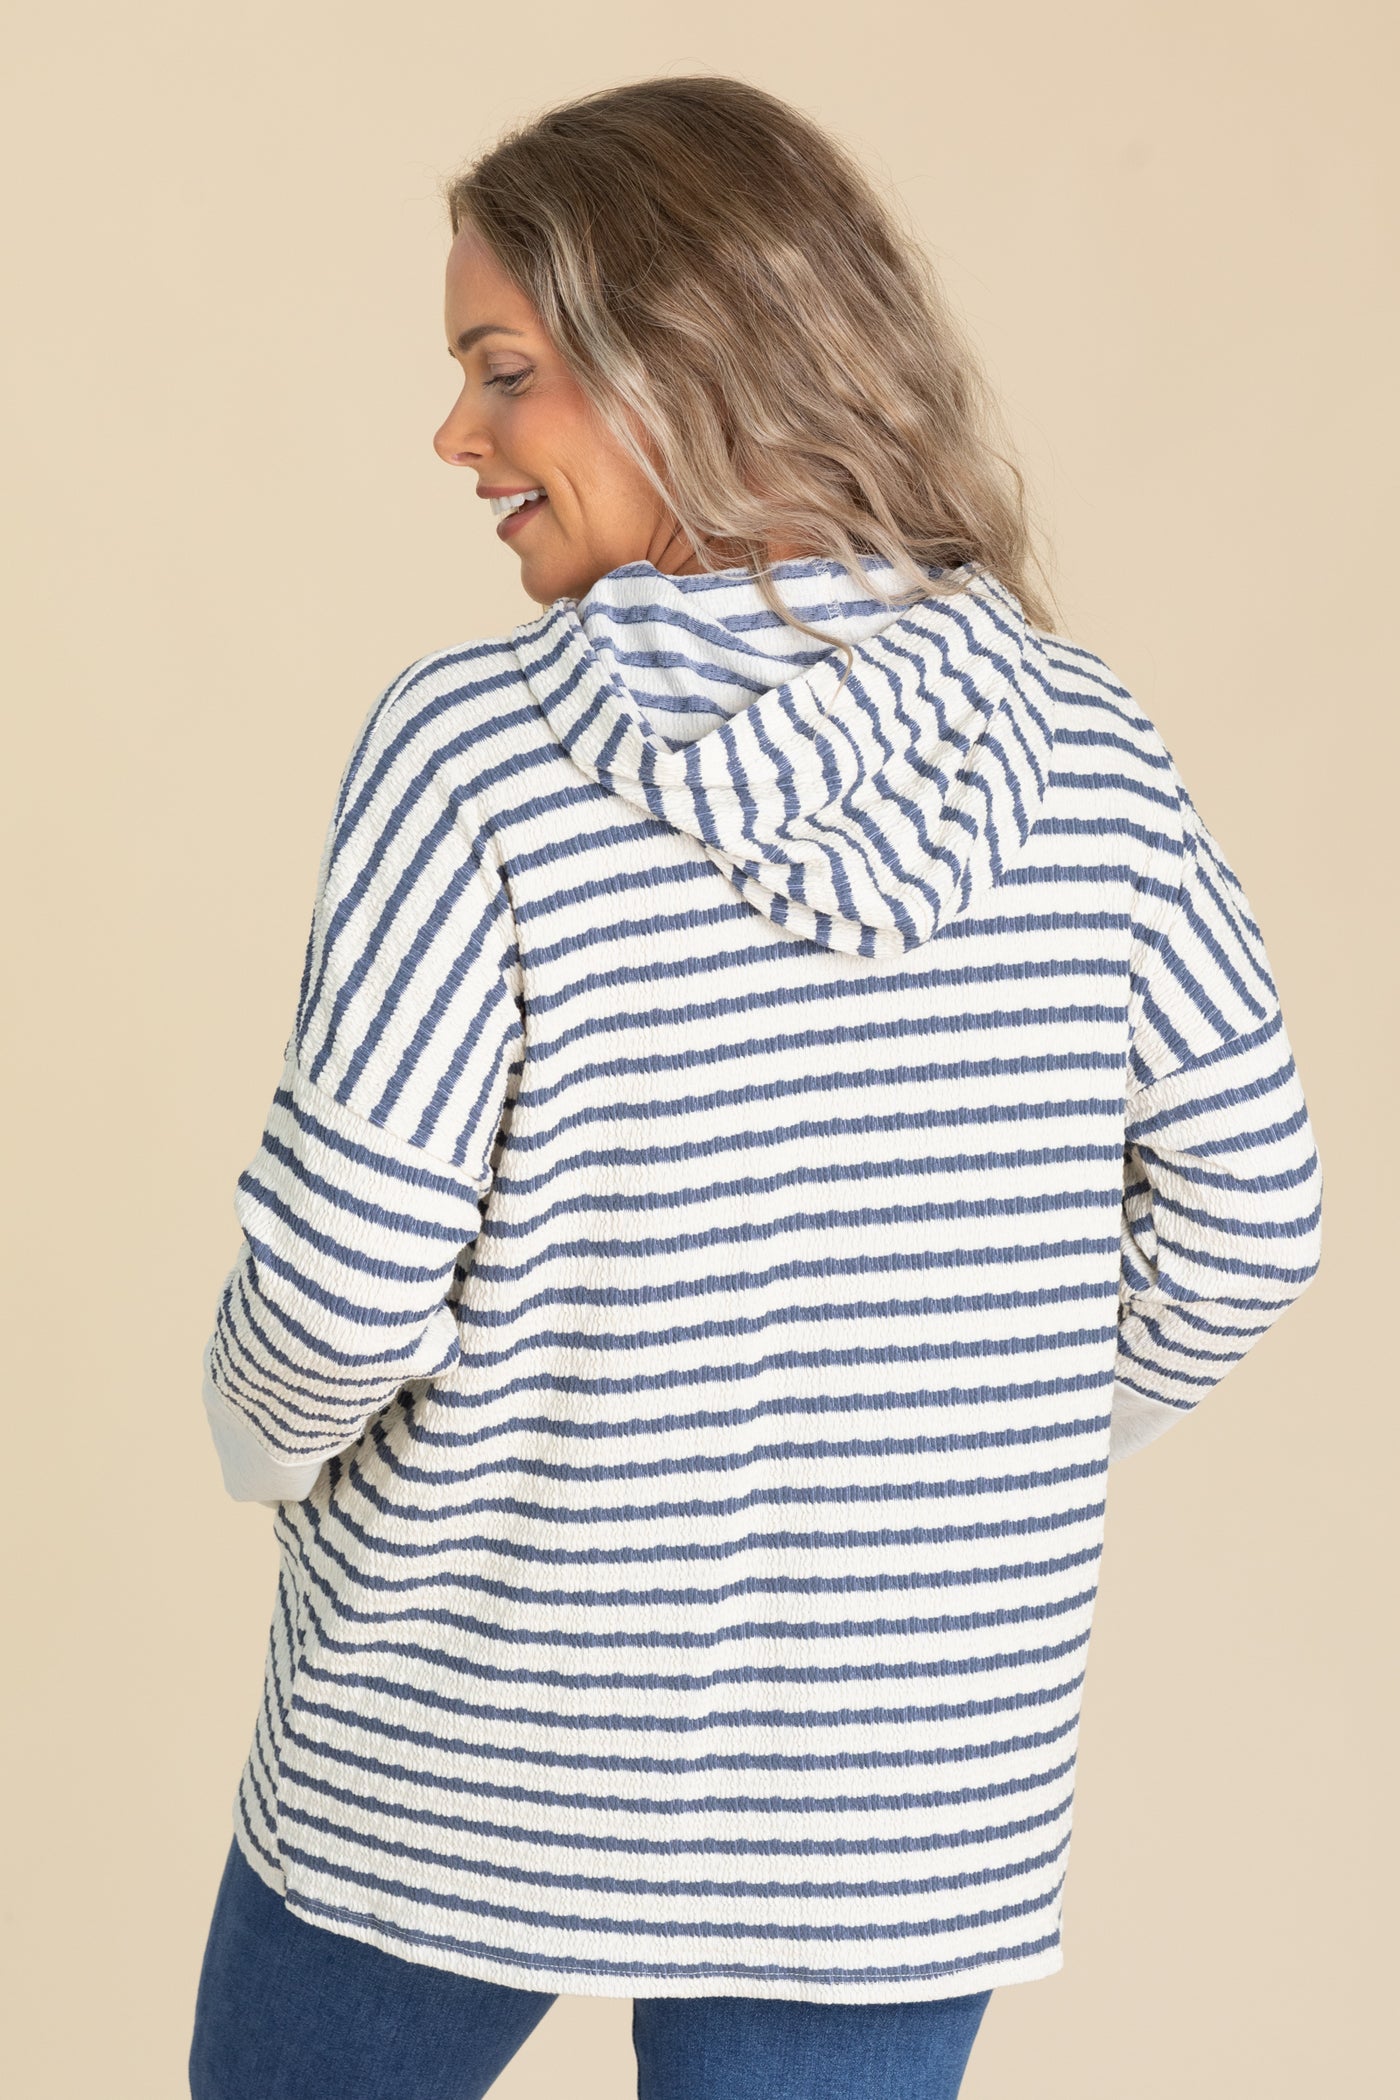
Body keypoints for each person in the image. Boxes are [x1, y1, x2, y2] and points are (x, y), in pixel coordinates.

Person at [187, 75, 1322, 2100]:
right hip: (898, 1798)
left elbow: (339, 1292)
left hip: (453, 1743)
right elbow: (1254, 1219)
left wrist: (261, 1454)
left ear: (689, 366)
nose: (456, 438)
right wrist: (976, 1459)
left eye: (504, 372)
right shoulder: (1087, 751)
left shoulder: (476, 758)